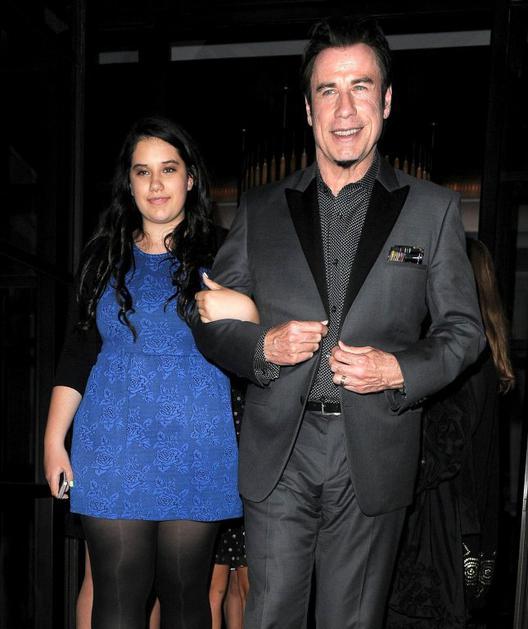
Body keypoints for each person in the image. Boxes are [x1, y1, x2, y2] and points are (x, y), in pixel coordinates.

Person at [192, 15, 486, 629]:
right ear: (308, 109)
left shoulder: (433, 209)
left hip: (374, 453)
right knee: (269, 617)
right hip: (281, 447)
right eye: (328, 90)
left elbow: (465, 332)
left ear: (386, 100)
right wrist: (264, 346)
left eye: (360, 87)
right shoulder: (261, 208)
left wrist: (397, 370)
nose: (345, 109)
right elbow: (211, 317)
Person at [43, 115, 243, 629]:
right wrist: (53, 441)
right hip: (112, 445)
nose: (155, 183)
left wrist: (244, 306)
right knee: (115, 602)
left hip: (196, 443)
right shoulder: (103, 254)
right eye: (142, 171)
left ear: (190, 178)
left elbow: (257, 337)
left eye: (168, 169)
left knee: (187, 601)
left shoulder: (226, 251)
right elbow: (77, 353)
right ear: (128, 183)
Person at [386, 238, 515, 629]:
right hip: (465, 530)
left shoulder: (454, 362)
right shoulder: (488, 362)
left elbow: (438, 454)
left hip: (433, 535)